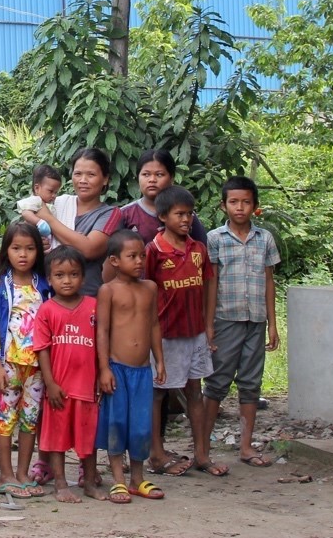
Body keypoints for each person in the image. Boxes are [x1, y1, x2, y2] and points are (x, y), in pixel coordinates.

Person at [197, 176, 280, 475]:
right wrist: (208, 325)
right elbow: (211, 283)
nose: (240, 207)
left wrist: (272, 323)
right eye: (234, 202)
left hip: (255, 320)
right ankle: (202, 449)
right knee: (217, 382)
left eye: (246, 202)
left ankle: (246, 446)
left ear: (255, 206)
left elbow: (269, 281)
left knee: (250, 383)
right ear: (224, 205)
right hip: (225, 319)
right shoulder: (215, 238)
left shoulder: (265, 239)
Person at [144, 185, 214, 477]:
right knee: (157, 393)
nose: (186, 220)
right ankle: (156, 454)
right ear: (163, 216)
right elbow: (145, 289)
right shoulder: (154, 250)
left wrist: (209, 326)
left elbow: (210, 284)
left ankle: (201, 454)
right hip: (165, 333)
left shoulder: (198, 250)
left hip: (194, 331)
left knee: (195, 390)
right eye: (179, 214)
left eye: (189, 214)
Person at [96, 229, 165, 502]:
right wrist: (104, 368)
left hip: (142, 371)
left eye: (142, 256)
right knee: (116, 424)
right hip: (117, 368)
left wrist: (159, 359)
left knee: (140, 426)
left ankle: (138, 478)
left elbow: (155, 325)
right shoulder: (108, 291)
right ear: (114, 260)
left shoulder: (150, 288)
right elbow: (102, 331)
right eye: (132, 256)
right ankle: (118, 480)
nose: (139, 261)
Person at [0, 221, 50, 499]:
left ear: (39, 251)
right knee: (6, 418)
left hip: (37, 366)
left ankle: (23, 473)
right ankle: (5, 474)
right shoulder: (0, 286)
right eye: (16, 248)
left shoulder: (45, 285)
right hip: (9, 363)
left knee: (30, 419)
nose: (23, 254)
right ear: (6, 251)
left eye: (29, 248)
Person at [35, 245, 103, 504]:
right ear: (50, 279)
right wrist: (50, 384)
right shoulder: (47, 310)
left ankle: (88, 480)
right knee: (57, 437)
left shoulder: (94, 307)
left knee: (89, 438)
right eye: (60, 275)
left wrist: (101, 375)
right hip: (59, 389)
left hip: (87, 387)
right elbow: (42, 350)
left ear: (83, 277)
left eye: (73, 274)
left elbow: (101, 344)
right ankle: (61, 484)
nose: (67, 280)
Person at [24, 147, 120, 297]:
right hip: (46, 295)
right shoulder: (58, 203)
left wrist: (49, 219)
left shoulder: (109, 214)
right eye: (78, 174)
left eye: (91, 175)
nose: (83, 180)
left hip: (86, 299)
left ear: (105, 178)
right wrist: (38, 243)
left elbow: (89, 249)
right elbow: (27, 233)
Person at [114, 149, 206, 244]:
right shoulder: (125, 214)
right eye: (146, 174)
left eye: (159, 174)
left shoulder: (186, 215)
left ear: (172, 178)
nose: (152, 180)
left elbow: (201, 248)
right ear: (138, 177)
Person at [16, 164, 62, 251]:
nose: (54, 195)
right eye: (51, 191)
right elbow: (26, 213)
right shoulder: (35, 200)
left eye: (56, 192)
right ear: (37, 188)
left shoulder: (50, 205)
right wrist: (39, 222)